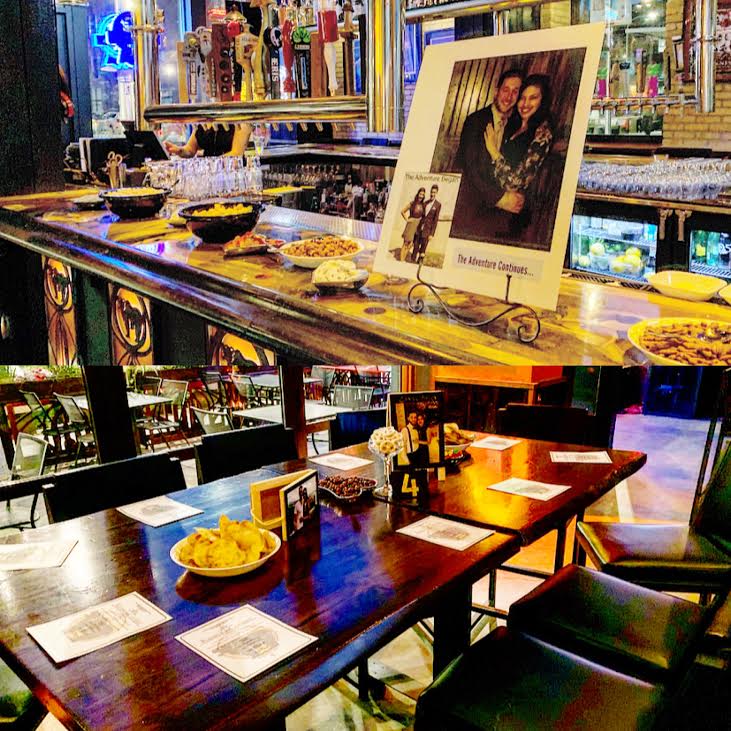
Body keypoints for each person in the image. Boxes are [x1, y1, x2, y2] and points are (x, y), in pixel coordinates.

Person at [450, 68, 525, 243]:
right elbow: (471, 170)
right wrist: (500, 199)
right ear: (496, 92)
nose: (509, 97)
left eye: (515, 92)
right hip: (470, 208)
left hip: (497, 213)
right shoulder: (475, 121)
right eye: (506, 90)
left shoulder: (515, 126)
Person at [483, 74, 554, 237]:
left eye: (533, 98)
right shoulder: (513, 124)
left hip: (512, 216)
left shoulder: (542, 133)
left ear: (543, 101)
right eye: (522, 98)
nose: (525, 104)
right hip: (494, 207)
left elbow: (516, 183)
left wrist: (494, 152)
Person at [163, 123, 252, 158]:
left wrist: (210, 165)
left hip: (233, 177)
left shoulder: (238, 121)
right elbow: (190, 149)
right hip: (209, 178)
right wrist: (179, 150)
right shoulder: (205, 119)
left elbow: (236, 154)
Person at [413, 184, 441, 264]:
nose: (432, 194)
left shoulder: (438, 205)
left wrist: (432, 234)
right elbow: (421, 215)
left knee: (423, 248)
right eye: (431, 192)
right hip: (419, 228)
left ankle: (419, 263)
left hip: (427, 230)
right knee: (415, 245)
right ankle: (412, 260)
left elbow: (435, 220)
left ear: (436, 193)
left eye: (434, 192)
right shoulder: (425, 203)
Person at [399, 187, 426, 262]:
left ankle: (403, 259)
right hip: (411, 224)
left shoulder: (423, 205)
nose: (421, 196)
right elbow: (402, 211)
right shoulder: (412, 203)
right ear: (418, 194)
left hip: (417, 225)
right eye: (420, 194)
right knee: (406, 242)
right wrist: (407, 219)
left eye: (423, 195)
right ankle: (401, 260)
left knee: (411, 244)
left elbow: (423, 216)